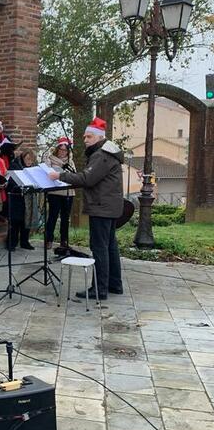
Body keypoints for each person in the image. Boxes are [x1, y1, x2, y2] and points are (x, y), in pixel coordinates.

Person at [48, 116, 124, 300]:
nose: (85, 140)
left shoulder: (101, 155)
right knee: (110, 246)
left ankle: (99, 289)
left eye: (88, 137)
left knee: (100, 247)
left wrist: (60, 175)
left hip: (102, 206)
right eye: (84, 137)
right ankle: (114, 284)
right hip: (108, 205)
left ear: (98, 137)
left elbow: (87, 179)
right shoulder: (105, 153)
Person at [44, 136, 76, 253]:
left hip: (68, 192)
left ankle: (64, 241)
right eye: (61, 149)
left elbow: (74, 175)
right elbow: (47, 172)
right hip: (55, 191)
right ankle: (49, 239)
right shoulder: (51, 159)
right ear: (57, 149)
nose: (63, 152)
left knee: (65, 218)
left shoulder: (70, 161)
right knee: (52, 216)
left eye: (65, 150)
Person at [8, 148, 36, 251]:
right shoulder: (15, 165)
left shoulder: (33, 167)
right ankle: (12, 242)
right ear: (23, 157)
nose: (29, 162)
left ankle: (25, 241)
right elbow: (11, 180)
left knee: (26, 220)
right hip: (16, 197)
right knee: (15, 221)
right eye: (28, 159)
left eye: (31, 160)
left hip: (28, 197)